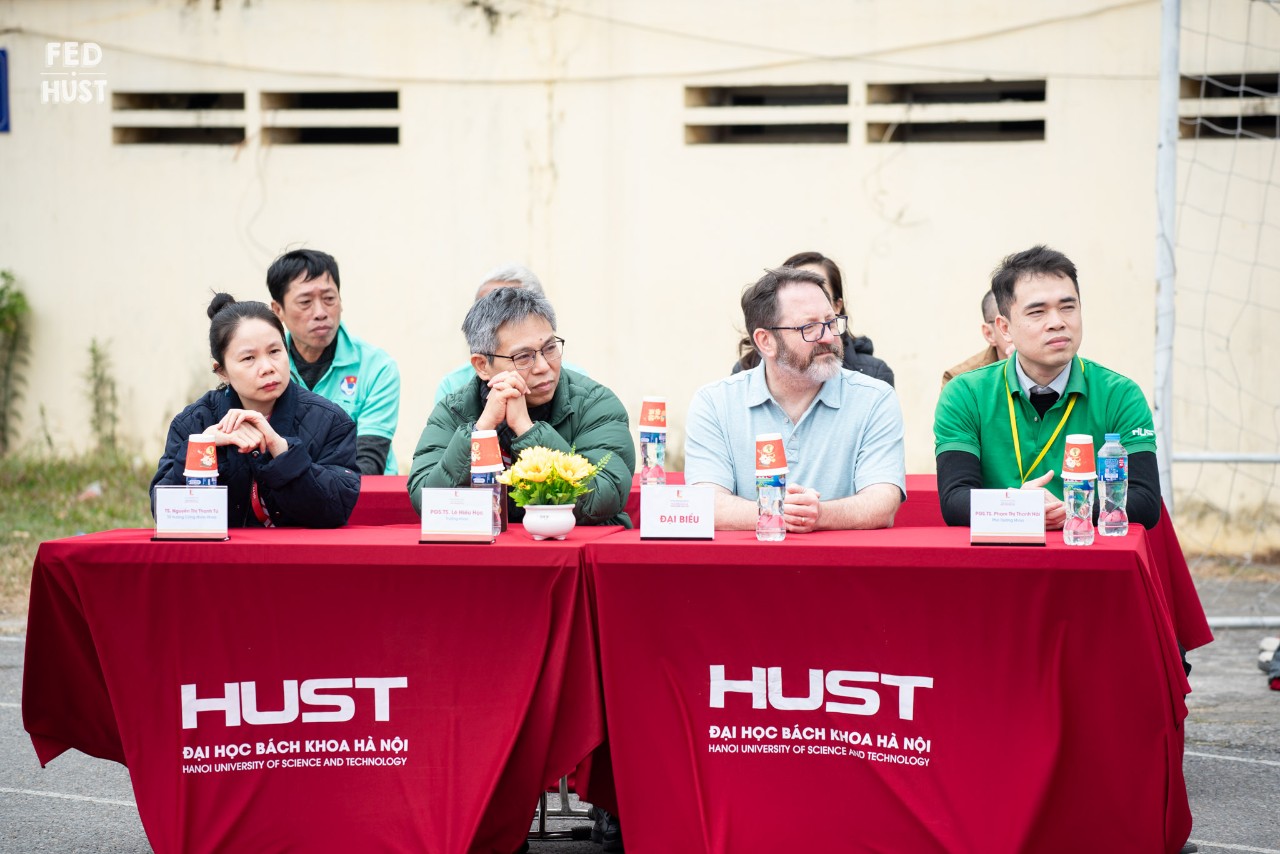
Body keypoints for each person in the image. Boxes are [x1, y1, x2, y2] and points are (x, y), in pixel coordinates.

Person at [933, 245, 1162, 530]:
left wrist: (1071, 510)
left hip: (1087, 559)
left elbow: (1147, 501)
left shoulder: (1120, 395)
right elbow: (955, 501)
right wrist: (1021, 508)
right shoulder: (965, 394)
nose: (1057, 323)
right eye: (1037, 312)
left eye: (1068, 307)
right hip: (996, 560)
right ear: (1004, 328)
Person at [688, 267, 905, 531]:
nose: (828, 337)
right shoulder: (715, 402)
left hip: (839, 567)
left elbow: (882, 504)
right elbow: (706, 504)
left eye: (831, 321)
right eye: (809, 327)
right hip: (747, 567)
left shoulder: (875, 399)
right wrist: (781, 512)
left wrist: (820, 514)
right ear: (766, 341)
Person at [408, 286, 634, 526]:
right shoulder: (455, 411)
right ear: (482, 365)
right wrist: (481, 431)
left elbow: (601, 498)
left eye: (550, 348)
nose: (543, 366)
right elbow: (428, 502)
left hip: (570, 555)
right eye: (523, 357)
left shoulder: (595, 405)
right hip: (486, 557)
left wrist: (526, 429)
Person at [150, 294, 360, 527]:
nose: (268, 368)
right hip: (221, 560)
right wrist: (202, 448)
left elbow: (337, 510)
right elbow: (165, 512)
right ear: (222, 371)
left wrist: (283, 452)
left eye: (274, 352)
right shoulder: (195, 423)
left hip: (296, 560)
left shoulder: (330, 421)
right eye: (249, 358)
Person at [266, 248, 400, 476]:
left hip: (361, 495)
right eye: (305, 302)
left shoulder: (377, 367)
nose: (320, 312)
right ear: (278, 310)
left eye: (329, 299)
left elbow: (369, 461)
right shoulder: (266, 368)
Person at [732, 251, 894, 387]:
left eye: (820, 292)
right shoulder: (746, 373)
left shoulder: (872, 379)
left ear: (836, 306)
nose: (825, 336)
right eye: (807, 325)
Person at [433, 264, 587, 403]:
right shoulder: (453, 386)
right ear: (481, 365)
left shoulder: (579, 385)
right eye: (485, 309)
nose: (542, 367)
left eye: (513, 307)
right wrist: (483, 426)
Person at [940, 289, 1014, 387]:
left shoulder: (1040, 363)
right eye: (1006, 325)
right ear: (989, 334)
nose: (1023, 330)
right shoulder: (961, 381)